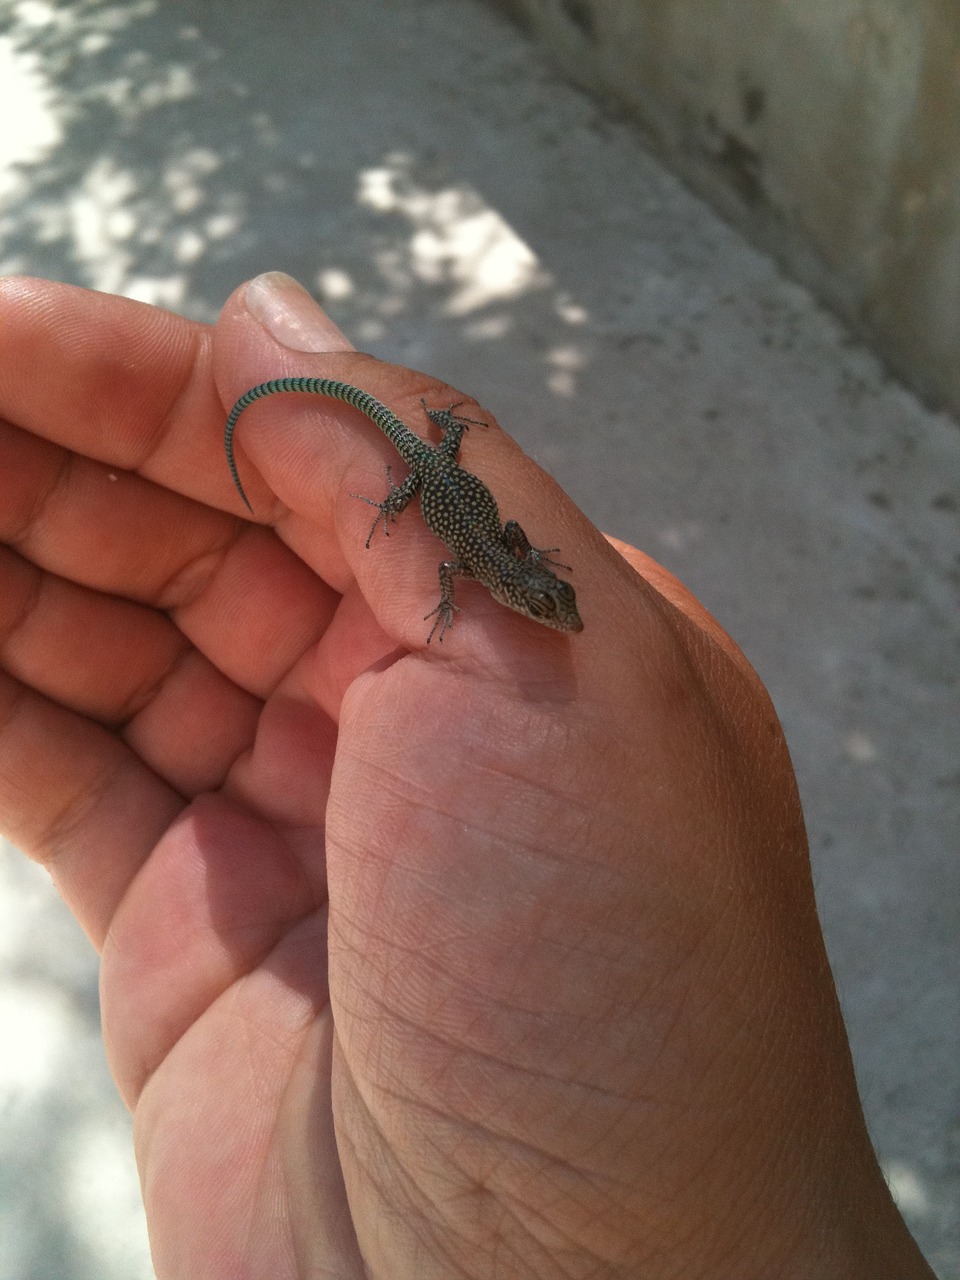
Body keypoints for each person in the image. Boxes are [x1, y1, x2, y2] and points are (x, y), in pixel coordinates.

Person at [0, 272, 935, 1279]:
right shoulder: (485, 571)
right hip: (427, 465)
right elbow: (458, 561)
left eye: (549, 604)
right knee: (396, 454)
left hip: (437, 470)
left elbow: (502, 560)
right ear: (521, 595)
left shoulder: (509, 568)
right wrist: (422, 489)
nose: (552, 618)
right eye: (548, 607)